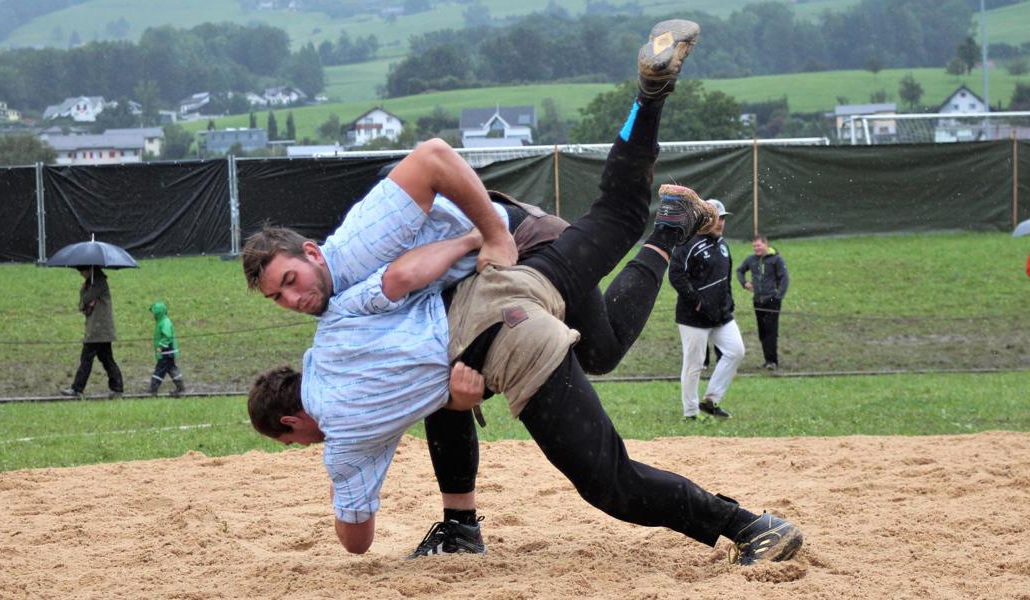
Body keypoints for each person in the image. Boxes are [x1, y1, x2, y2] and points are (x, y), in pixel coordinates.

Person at [247, 19, 802, 566]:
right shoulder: (338, 321)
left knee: (610, 480)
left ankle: (750, 527)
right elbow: (401, 287)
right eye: (277, 298)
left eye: (289, 282)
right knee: (615, 238)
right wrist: (451, 384)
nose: (292, 300)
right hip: (496, 289)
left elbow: (355, 540)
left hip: (514, 255)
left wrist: (484, 233)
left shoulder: (358, 257)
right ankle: (651, 102)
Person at [669, 199, 744, 420]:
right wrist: (698, 301)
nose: (720, 222)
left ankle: (711, 401)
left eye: (722, 218)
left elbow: (726, 279)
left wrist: (728, 301)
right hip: (693, 317)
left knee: (735, 351)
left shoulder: (722, 245)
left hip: (721, 315)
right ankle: (690, 412)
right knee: (695, 365)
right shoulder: (687, 243)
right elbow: (675, 275)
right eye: (715, 218)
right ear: (703, 219)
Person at [60, 267, 124, 398]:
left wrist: (83, 289)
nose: (80, 274)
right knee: (106, 359)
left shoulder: (98, 283)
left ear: (90, 270)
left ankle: (77, 389)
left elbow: (85, 299)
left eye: (82, 270)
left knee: (86, 358)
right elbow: (81, 305)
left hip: (98, 330)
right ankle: (117, 388)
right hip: (100, 330)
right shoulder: (94, 282)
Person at [737, 235, 790, 370]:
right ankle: (767, 360)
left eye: (759, 245)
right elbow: (740, 270)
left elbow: (784, 278)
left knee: (771, 331)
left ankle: (773, 361)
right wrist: (745, 283)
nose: (756, 248)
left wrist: (778, 297)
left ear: (766, 244)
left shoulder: (776, 259)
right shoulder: (751, 260)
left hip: (772, 301)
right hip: (757, 301)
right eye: (754, 246)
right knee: (762, 331)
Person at [145, 301, 186, 397]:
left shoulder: (164, 322)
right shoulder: (162, 321)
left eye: (154, 313)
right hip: (168, 351)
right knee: (171, 368)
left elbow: (167, 336)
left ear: (158, 313)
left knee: (159, 370)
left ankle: (153, 388)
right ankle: (180, 387)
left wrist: (161, 346)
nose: (152, 315)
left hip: (166, 351)